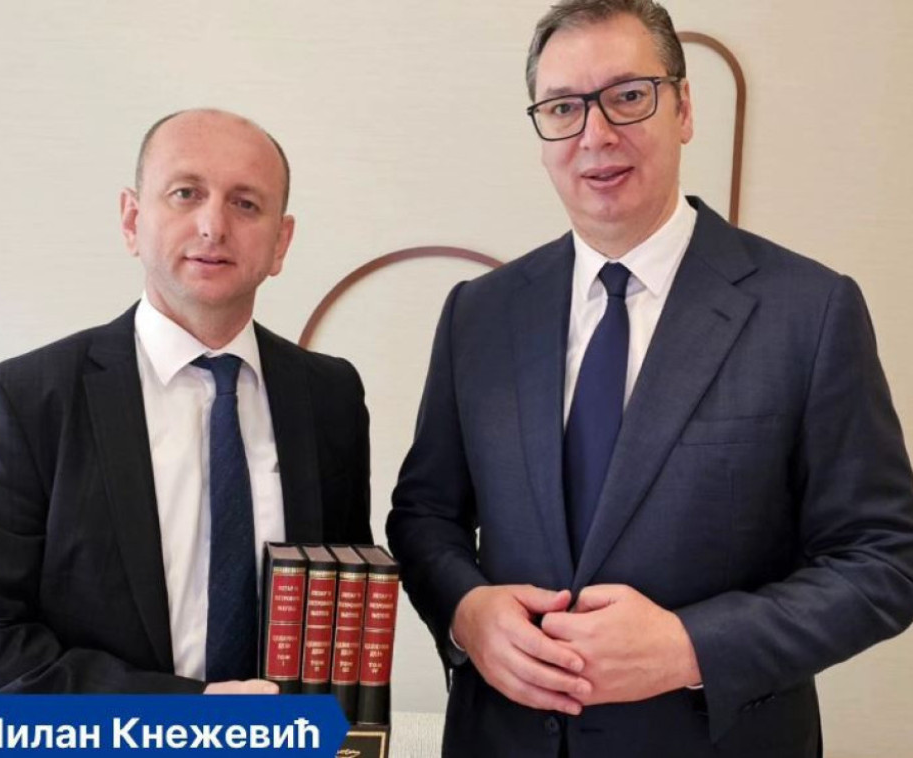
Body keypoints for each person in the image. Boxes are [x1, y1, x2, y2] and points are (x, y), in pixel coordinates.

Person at [387, 2, 913, 756]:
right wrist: (466, 612)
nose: (596, 134)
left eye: (628, 96)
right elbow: (424, 514)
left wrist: (690, 647)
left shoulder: (810, 310)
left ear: (684, 108)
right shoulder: (479, 313)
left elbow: (884, 559)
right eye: (563, 108)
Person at [0, 109, 372, 695]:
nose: (213, 226)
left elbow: (341, 617)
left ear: (280, 243)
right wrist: (184, 714)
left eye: (245, 204)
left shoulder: (329, 397)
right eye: (186, 194)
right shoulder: (26, 401)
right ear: (132, 221)